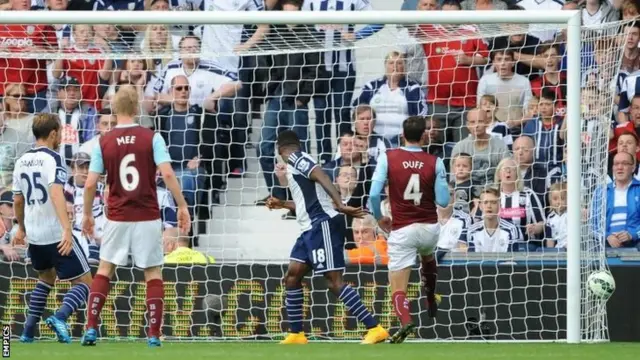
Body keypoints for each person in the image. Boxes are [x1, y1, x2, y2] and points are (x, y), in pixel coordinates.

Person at [80, 86, 191, 347]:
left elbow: (90, 183)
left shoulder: (102, 141)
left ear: (116, 109)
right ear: (137, 106)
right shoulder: (152, 137)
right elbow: (168, 174)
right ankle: (153, 334)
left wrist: (87, 214)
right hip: (147, 215)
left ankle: (91, 328)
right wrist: (182, 205)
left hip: (117, 216)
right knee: (152, 272)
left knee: (105, 269)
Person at [264, 130, 389, 345]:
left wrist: (340, 204)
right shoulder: (296, 165)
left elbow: (320, 175)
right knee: (292, 276)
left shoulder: (296, 158)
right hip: (309, 229)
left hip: (322, 226)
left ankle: (375, 328)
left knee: (333, 281)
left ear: (280, 150)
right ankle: (296, 334)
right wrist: (282, 204)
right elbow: (307, 204)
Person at [369, 115, 450, 344]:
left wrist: (379, 218)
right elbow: (443, 201)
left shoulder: (388, 157)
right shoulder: (435, 161)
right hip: (429, 228)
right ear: (424, 135)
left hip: (403, 228)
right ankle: (431, 297)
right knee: (427, 255)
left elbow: (374, 195)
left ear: (402, 135)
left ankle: (406, 321)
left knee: (397, 284)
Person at [13, 113, 93, 343]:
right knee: (86, 282)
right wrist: (67, 230)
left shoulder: (21, 160)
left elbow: (17, 200)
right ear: (54, 134)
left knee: (46, 278)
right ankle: (60, 317)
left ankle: (27, 332)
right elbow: (56, 192)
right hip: (56, 234)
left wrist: (21, 230)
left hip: (35, 236)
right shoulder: (54, 158)